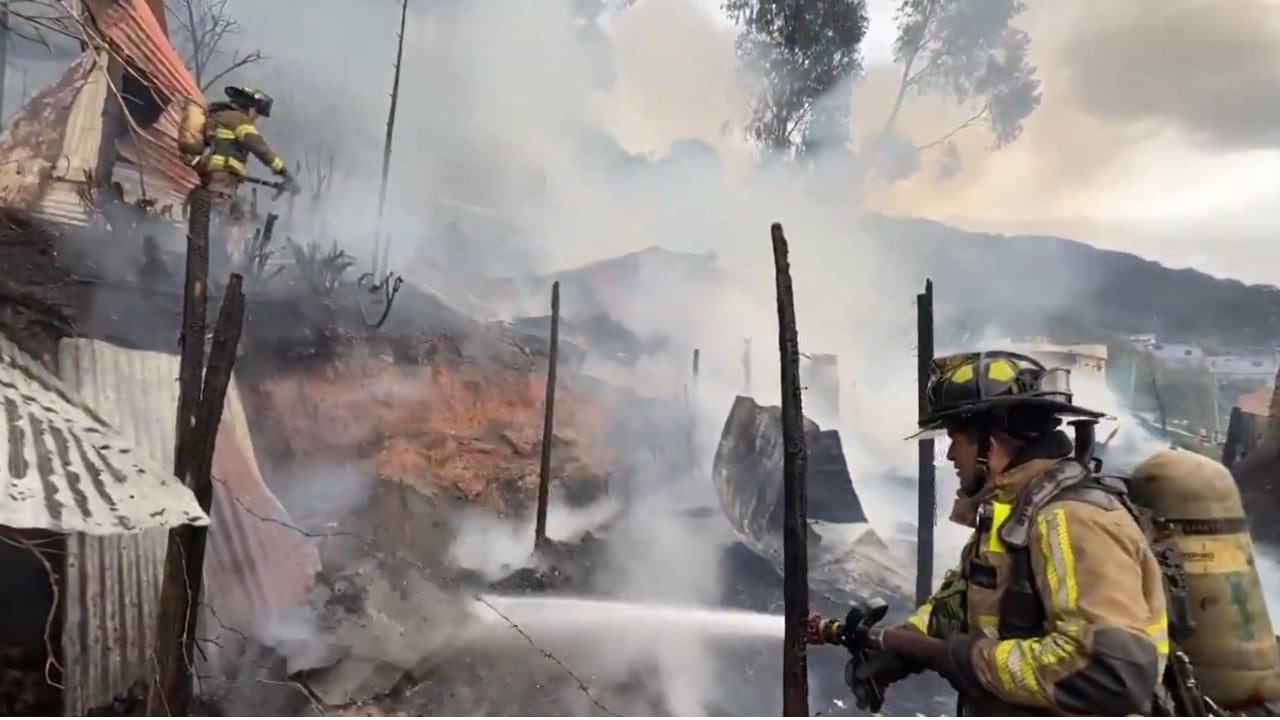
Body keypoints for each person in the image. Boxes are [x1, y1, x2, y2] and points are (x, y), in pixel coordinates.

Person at [842, 350, 1169, 716]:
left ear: (990, 443)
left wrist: (961, 657)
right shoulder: (1013, 514)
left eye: (956, 438)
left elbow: (1107, 673)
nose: (950, 454)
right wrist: (901, 647)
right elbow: (963, 602)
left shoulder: (1074, 520)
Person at [191, 85, 299, 272]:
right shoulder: (238, 120)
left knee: (239, 214)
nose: (256, 118)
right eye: (256, 113)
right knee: (219, 222)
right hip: (222, 180)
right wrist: (284, 172)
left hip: (220, 177)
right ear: (249, 107)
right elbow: (260, 149)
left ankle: (222, 264)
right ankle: (211, 268)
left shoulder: (219, 117)